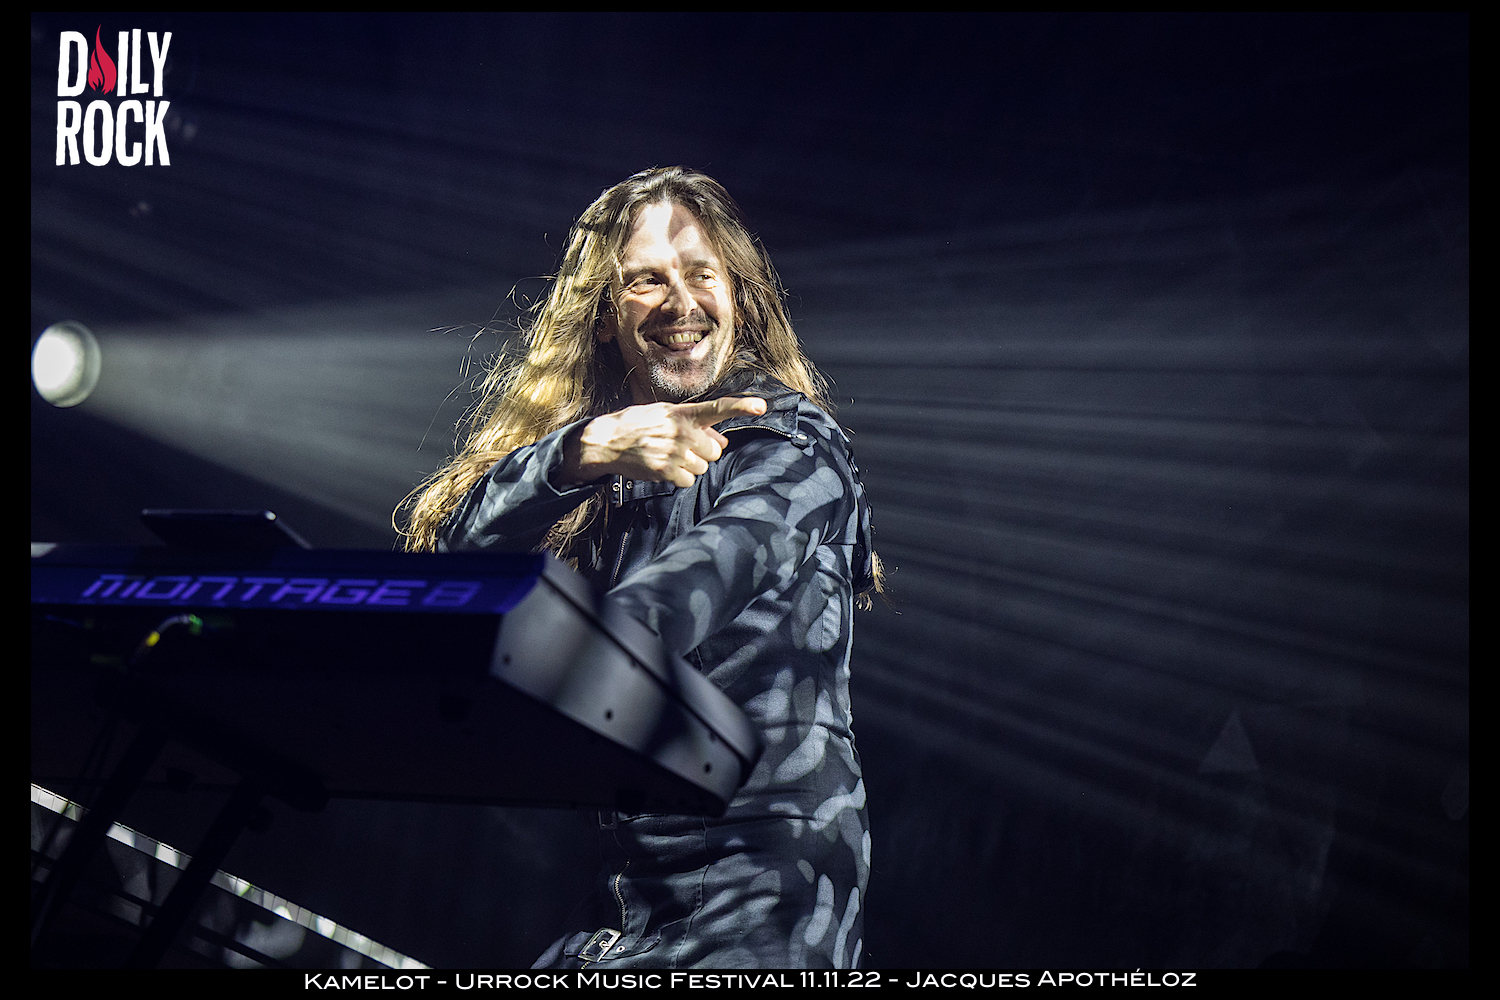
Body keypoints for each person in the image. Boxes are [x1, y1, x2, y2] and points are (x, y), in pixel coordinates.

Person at [401, 167, 878, 969]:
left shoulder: (795, 443)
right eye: (647, 280)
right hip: (622, 897)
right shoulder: (609, 458)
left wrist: (527, 683)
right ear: (602, 316)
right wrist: (583, 450)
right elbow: (454, 558)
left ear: (739, 297)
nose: (681, 303)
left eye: (702, 274)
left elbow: (693, 586)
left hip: (762, 896)